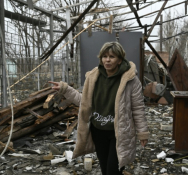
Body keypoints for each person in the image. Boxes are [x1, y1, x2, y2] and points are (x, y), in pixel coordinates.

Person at [49, 42, 149, 175]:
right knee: (104, 169)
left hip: (119, 132)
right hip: (98, 131)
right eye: (104, 56)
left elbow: (137, 108)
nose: (107, 60)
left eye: (112, 56)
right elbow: (83, 101)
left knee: (113, 170)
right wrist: (65, 89)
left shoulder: (130, 80)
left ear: (119, 60)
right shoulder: (93, 77)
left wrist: (142, 132)